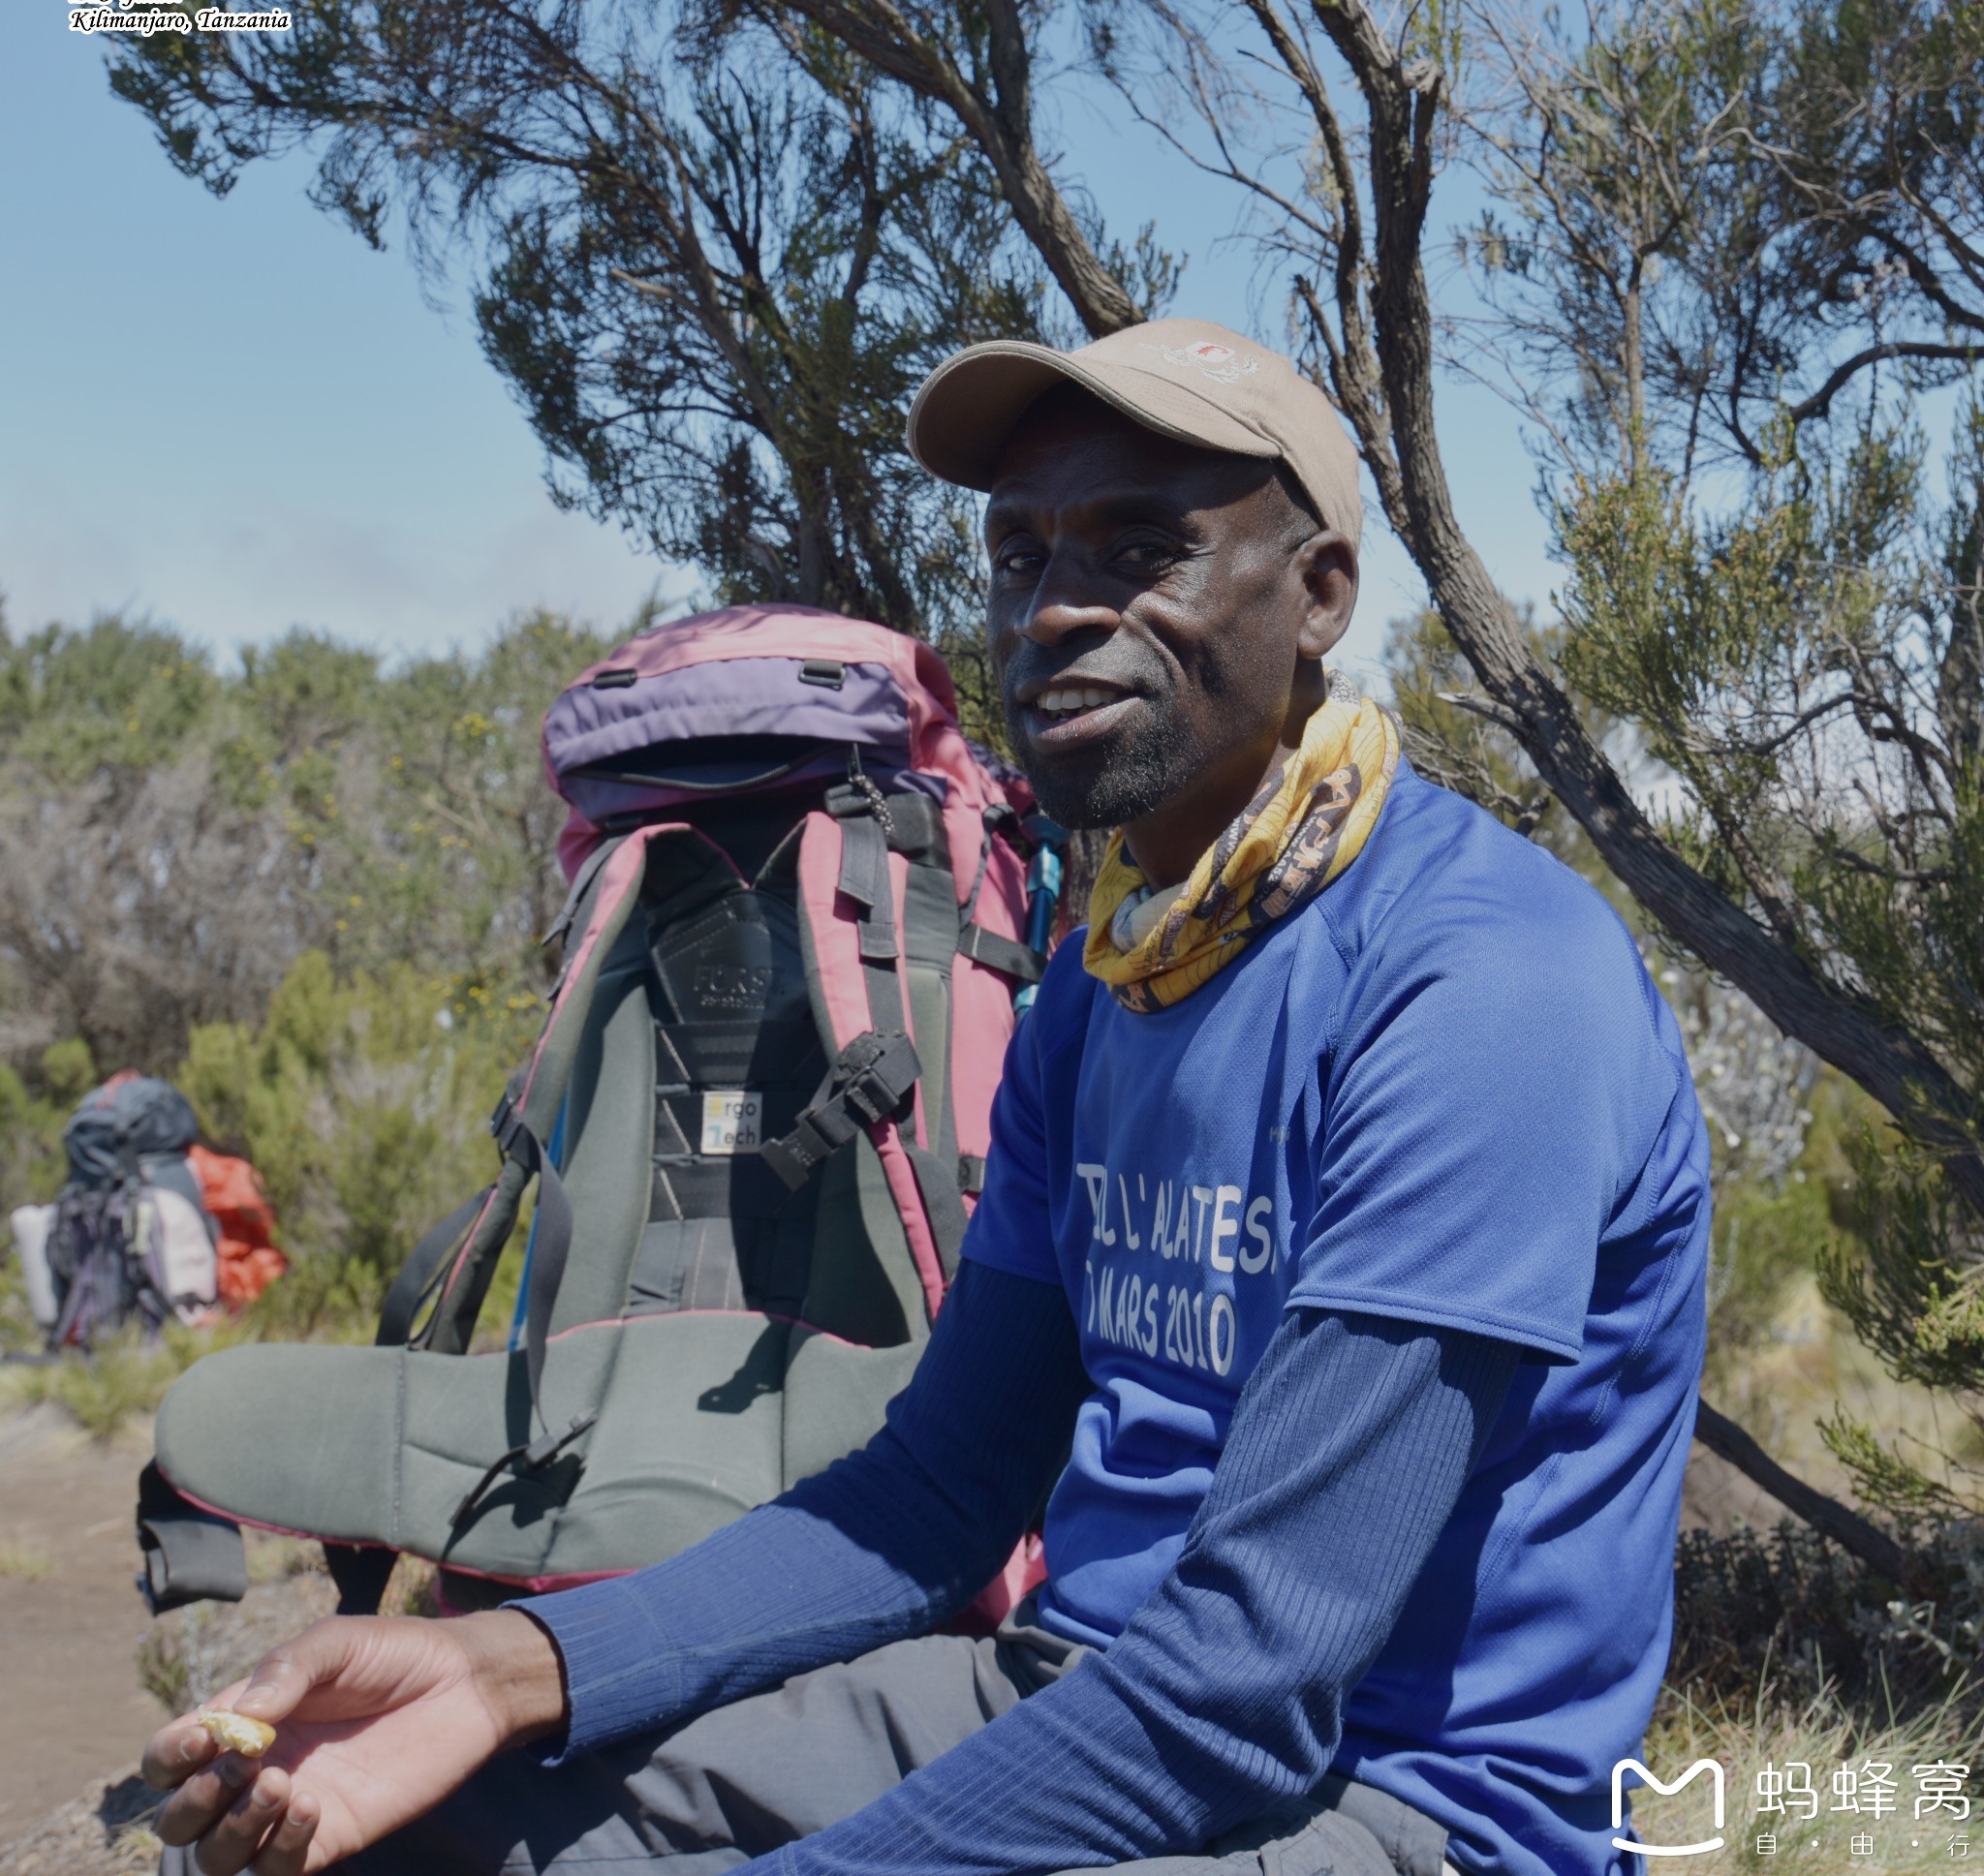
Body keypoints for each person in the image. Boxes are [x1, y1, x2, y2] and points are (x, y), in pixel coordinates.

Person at [144, 319, 1712, 1876]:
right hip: (1071, 1699)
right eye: (1019, 556)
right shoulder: (1112, 984)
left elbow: (1252, 1678)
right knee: (399, 1828)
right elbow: (942, 1488)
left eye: (1140, 548)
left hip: (1395, 1806)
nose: (1053, 613)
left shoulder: (1481, 985)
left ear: (1317, 597)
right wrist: (508, 1676)